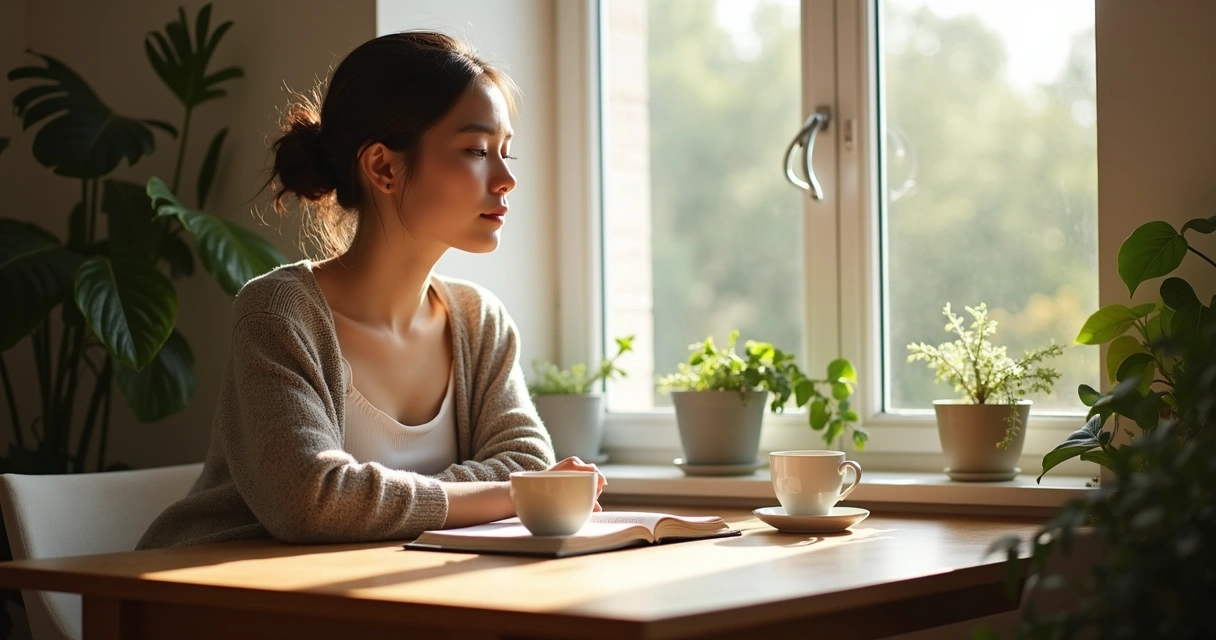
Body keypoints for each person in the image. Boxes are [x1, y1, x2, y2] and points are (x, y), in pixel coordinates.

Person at [137, 31, 604, 549]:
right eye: (475, 149)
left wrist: (499, 491)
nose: (505, 179)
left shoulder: (479, 320)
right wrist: (504, 493)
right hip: (210, 598)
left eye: (505, 152)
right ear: (383, 166)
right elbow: (311, 501)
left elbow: (528, 465)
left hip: (375, 593)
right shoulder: (278, 312)